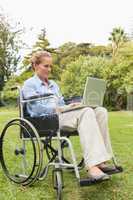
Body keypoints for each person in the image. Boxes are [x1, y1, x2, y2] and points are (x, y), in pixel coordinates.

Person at [22, 50, 114, 181]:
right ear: (36, 65)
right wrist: (60, 108)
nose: (49, 69)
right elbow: (36, 109)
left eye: (50, 66)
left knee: (100, 111)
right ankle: (93, 166)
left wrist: (72, 105)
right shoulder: (29, 84)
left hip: (61, 115)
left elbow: (61, 103)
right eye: (46, 66)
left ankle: (101, 161)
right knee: (86, 112)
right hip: (45, 120)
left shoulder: (54, 85)